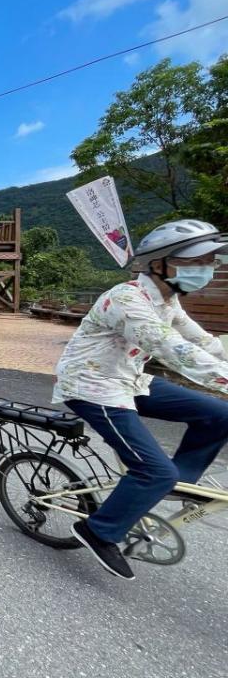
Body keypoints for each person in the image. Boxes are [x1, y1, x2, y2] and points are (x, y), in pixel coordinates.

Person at [53, 219, 228, 580]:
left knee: (220, 414)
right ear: (160, 263)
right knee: (153, 470)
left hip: (131, 379)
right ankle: (98, 531)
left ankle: (176, 481)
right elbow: (172, 349)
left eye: (210, 261)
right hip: (92, 386)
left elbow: (202, 342)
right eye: (196, 262)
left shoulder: (168, 300)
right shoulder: (126, 300)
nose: (207, 269)